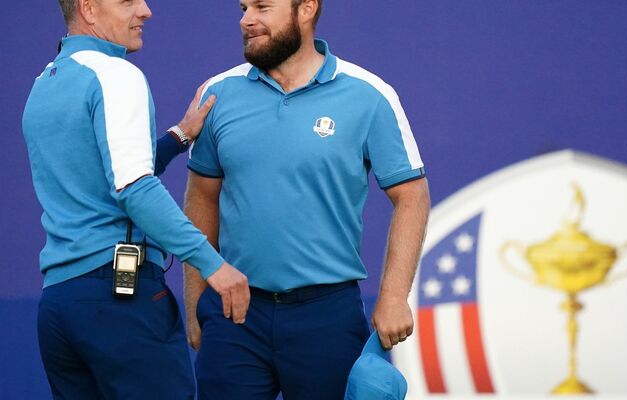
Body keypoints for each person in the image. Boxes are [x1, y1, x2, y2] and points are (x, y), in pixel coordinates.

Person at [183, 0, 430, 398]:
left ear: (306, 8)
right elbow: (201, 198)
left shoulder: (370, 94)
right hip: (233, 313)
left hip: (327, 314)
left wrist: (393, 296)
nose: (247, 20)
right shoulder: (216, 94)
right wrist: (196, 301)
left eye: (263, 7)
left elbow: (412, 197)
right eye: (244, 7)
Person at [22, 0, 251, 398]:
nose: (146, 11)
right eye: (128, 1)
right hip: (120, 303)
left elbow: (101, 177)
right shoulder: (115, 74)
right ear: (89, 9)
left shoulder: (45, 82)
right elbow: (133, 188)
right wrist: (214, 265)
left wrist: (179, 136)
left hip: (59, 307)